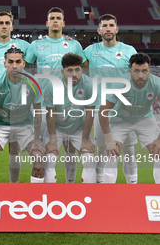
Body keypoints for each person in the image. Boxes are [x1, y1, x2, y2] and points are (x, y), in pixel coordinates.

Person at [24, 7, 87, 183]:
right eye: (52, 18)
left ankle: (70, 186)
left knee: (70, 149)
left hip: (68, 104)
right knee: (46, 148)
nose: (55, 21)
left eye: (58, 18)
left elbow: (83, 69)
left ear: (63, 23)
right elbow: (24, 67)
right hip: (44, 104)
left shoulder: (73, 44)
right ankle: (47, 190)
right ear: (47, 23)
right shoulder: (36, 45)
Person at [83, 14, 138, 183]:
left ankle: (133, 185)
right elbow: (76, 62)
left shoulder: (129, 51)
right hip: (102, 109)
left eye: (111, 25)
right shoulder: (90, 51)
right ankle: (102, 186)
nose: (108, 28)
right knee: (102, 149)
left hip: (124, 110)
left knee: (128, 150)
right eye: (105, 25)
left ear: (116, 29)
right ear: (99, 30)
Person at [0, 12, 30, 183]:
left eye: (7, 22)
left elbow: (35, 54)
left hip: (16, 103)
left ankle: (13, 186)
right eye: (0, 23)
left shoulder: (23, 45)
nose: (3, 25)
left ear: (11, 26)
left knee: (14, 150)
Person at [0, 47, 45, 183]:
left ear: (24, 63)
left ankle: (37, 198)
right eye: (10, 62)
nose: (14, 65)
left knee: (39, 156)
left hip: (25, 124)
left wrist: (36, 138)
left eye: (18, 61)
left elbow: (38, 111)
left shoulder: (33, 82)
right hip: (2, 124)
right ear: (4, 64)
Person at [99, 53, 160, 184]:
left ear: (149, 71)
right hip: (120, 119)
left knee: (159, 153)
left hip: (144, 119)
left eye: (144, 71)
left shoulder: (157, 83)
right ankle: (107, 194)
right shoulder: (120, 84)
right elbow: (103, 111)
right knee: (111, 154)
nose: (140, 75)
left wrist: (159, 139)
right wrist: (108, 139)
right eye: (136, 71)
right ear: (130, 71)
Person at [43, 53, 96, 183]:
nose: (74, 74)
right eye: (70, 70)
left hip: (78, 128)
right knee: (49, 160)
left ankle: (86, 196)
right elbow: (50, 113)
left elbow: (90, 112)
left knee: (89, 160)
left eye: (77, 70)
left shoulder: (89, 84)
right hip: (56, 128)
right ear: (62, 72)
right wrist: (53, 140)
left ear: (82, 70)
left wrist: (85, 139)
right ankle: (48, 196)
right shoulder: (52, 85)